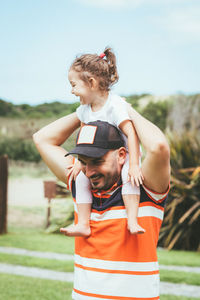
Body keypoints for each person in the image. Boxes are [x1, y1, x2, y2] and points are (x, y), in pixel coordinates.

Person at [33, 106, 170, 300]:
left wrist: (121, 108)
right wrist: (89, 108)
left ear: (122, 154)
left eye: (97, 161)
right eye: (83, 161)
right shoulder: (80, 184)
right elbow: (42, 138)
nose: (89, 172)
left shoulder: (144, 187)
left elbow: (159, 147)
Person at [63, 47, 144, 237]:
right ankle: (83, 224)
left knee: (129, 179)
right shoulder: (83, 110)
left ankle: (132, 220)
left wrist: (133, 165)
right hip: (97, 156)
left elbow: (131, 134)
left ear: (91, 82)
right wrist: (79, 163)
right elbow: (84, 140)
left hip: (126, 154)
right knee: (81, 177)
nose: (72, 91)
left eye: (74, 85)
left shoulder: (114, 106)